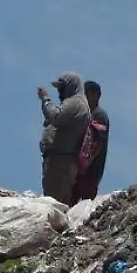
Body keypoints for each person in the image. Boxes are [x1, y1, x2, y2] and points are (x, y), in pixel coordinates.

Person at [38, 73, 90, 205]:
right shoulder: (77, 103)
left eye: (61, 88)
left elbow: (55, 116)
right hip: (60, 161)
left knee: (55, 205)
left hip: (60, 162)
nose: (59, 92)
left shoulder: (75, 102)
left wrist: (45, 99)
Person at [74, 80, 111, 203]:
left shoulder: (99, 115)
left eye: (86, 94)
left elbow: (98, 143)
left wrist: (86, 163)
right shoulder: (86, 113)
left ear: (95, 95)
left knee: (85, 203)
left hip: (91, 169)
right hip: (80, 169)